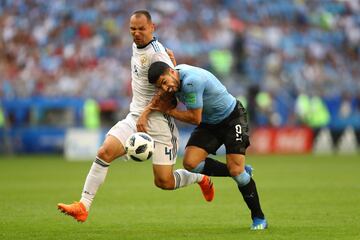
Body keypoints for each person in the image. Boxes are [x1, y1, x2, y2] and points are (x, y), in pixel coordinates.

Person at [57, 10, 214, 223]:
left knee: (164, 182)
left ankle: (200, 178)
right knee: (105, 151)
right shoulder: (137, 46)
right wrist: (140, 114)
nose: (136, 33)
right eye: (133, 29)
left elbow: (170, 95)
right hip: (135, 116)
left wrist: (147, 112)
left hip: (159, 123)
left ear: (152, 28)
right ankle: (83, 206)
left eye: (141, 29)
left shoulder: (157, 55)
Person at [139, 61, 268, 230]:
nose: (164, 89)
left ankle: (259, 218)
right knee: (191, 163)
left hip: (232, 118)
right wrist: (144, 115)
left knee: (237, 172)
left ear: (172, 71)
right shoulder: (173, 79)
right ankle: (238, 170)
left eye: (164, 82)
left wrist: (168, 111)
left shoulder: (192, 82)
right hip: (210, 124)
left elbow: (195, 118)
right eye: (160, 86)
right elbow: (158, 99)